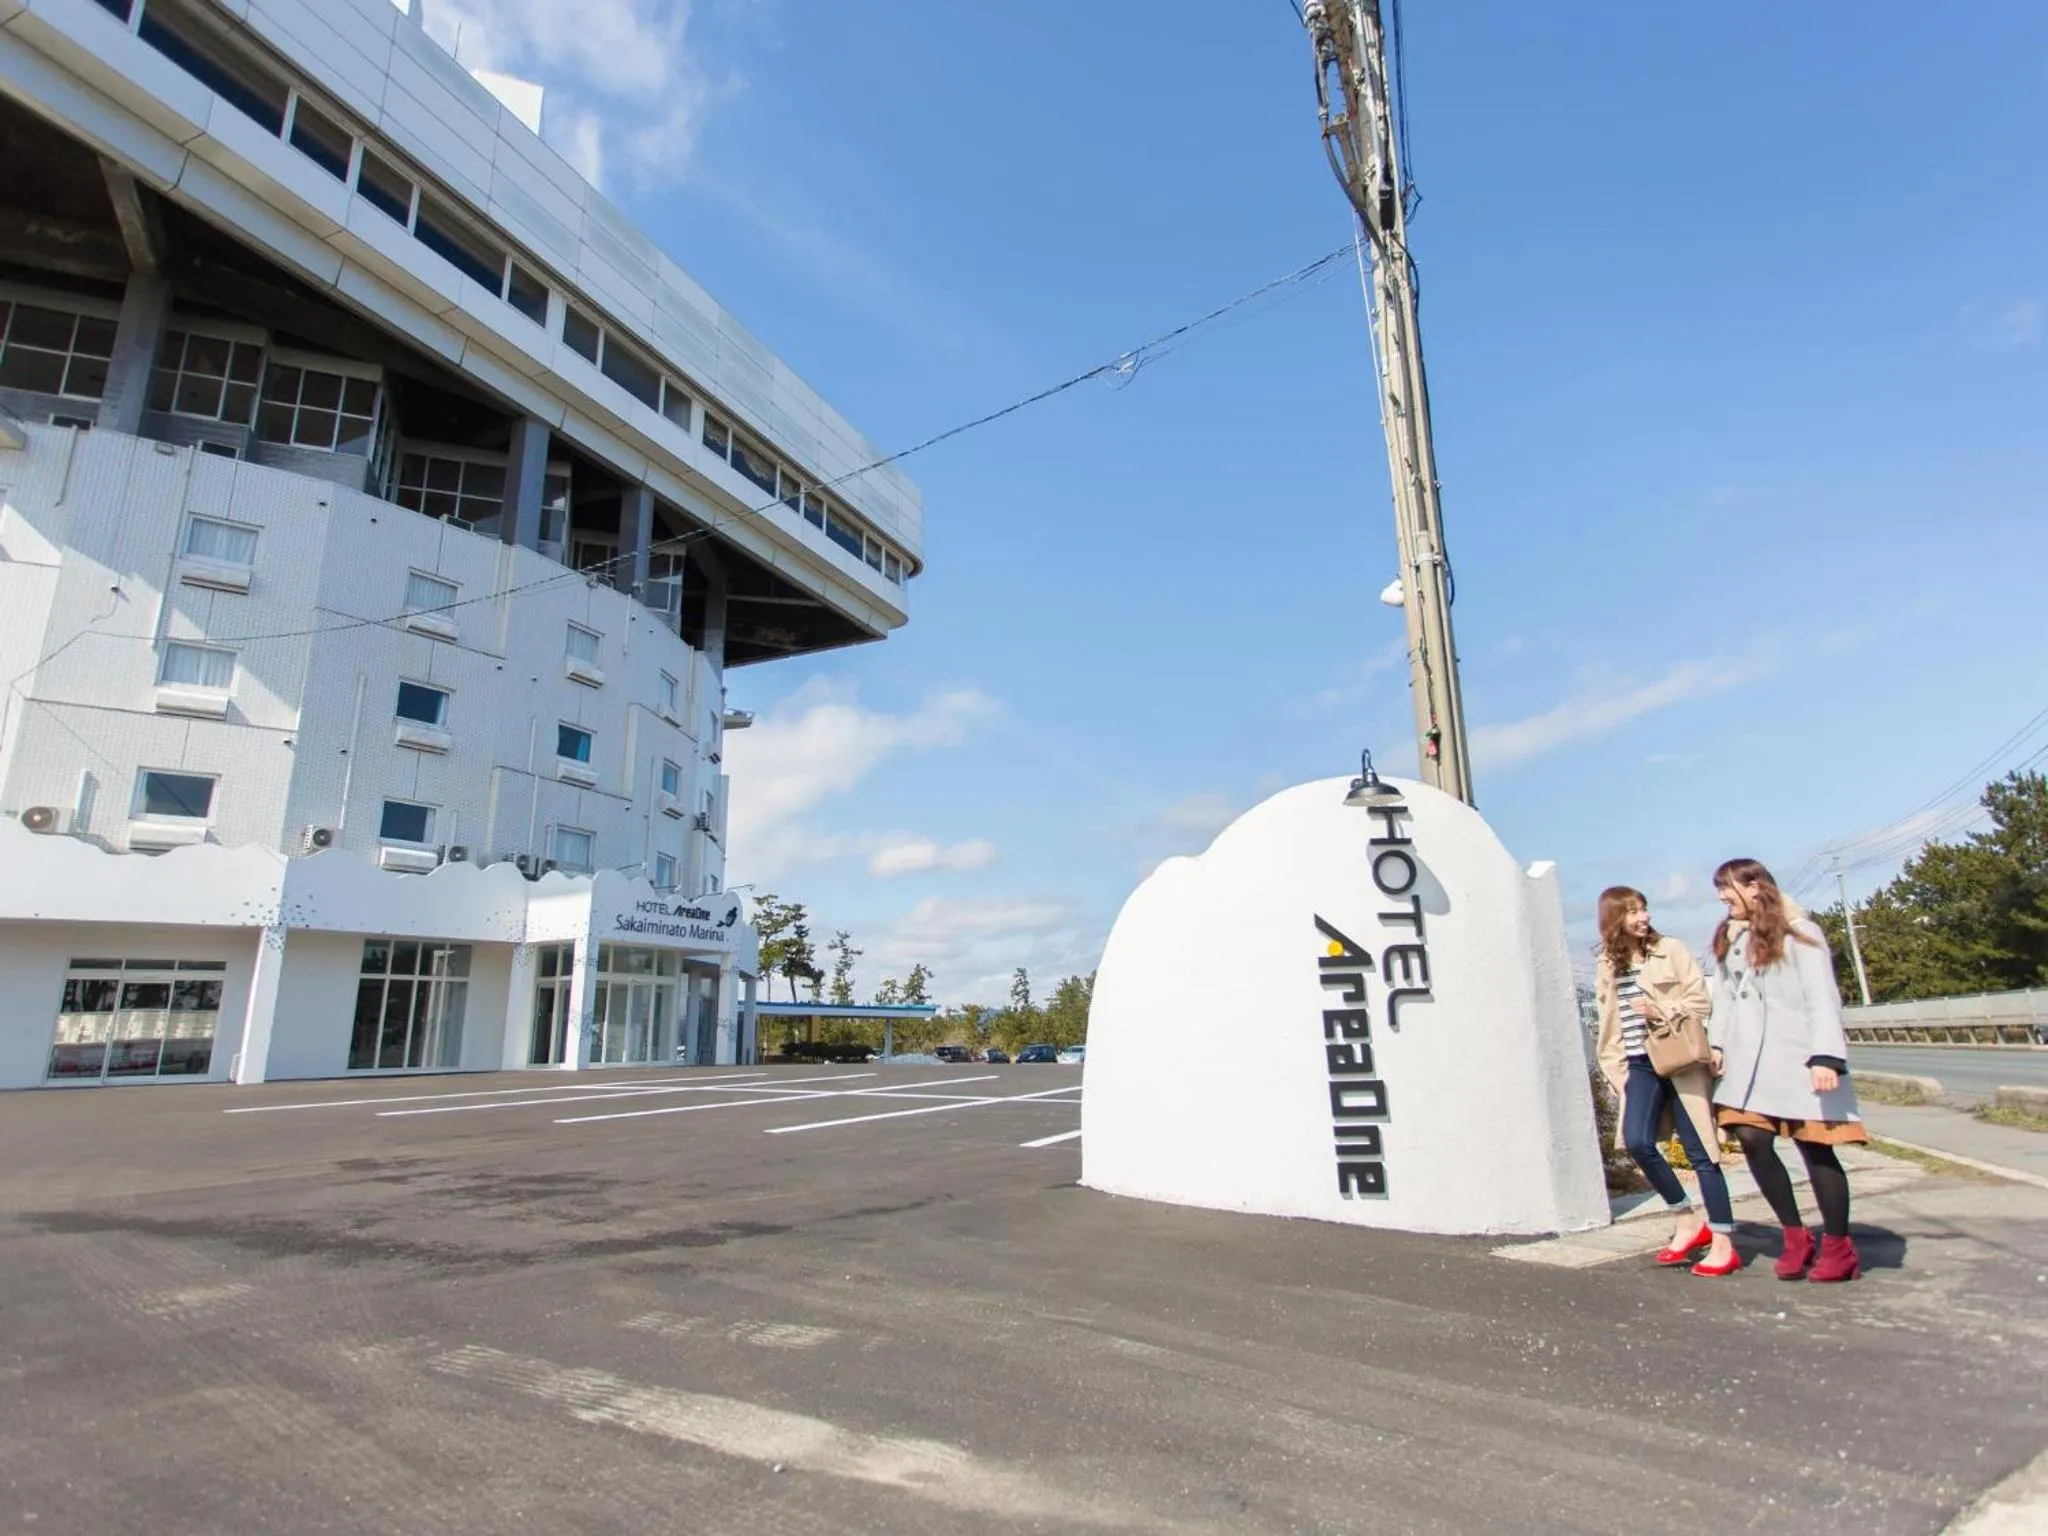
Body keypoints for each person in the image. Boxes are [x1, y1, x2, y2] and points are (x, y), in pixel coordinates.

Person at [1707, 858, 1866, 1283]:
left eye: (1728, 887)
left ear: (1755, 886)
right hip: (1748, 1064)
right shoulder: (1732, 939)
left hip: (1797, 1057)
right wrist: (1717, 1043)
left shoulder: (1800, 932)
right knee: (1752, 1137)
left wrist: (1827, 1057)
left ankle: (1838, 1246)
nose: (1722, 897)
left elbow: (1821, 996)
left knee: (1816, 1147)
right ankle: (1796, 1236)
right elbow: (1723, 997)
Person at [1593, 887, 1739, 1276]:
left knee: (1702, 1152)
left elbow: (1700, 1001)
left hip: (1680, 1059)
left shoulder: (1670, 949)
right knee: (1637, 1142)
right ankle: (1688, 1219)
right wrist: (1615, 1072)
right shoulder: (1609, 963)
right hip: (1639, 1065)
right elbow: (1609, 1023)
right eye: (1632, 912)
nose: (1642, 917)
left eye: (1644, 909)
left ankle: (1723, 1240)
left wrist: (1661, 1009)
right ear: (1614, 919)